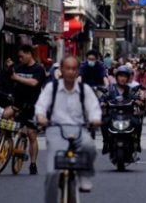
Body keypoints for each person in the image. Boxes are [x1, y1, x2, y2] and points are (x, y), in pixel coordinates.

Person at [35, 56, 102, 200]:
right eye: (68, 68)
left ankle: (85, 175)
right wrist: (41, 117)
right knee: (52, 173)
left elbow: (94, 108)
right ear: (61, 70)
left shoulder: (85, 90)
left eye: (74, 69)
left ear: (78, 71)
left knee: (90, 147)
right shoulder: (51, 88)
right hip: (56, 131)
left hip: (79, 130)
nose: (71, 72)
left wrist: (95, 119)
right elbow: (40, 106)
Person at [6, 44, 46, 175]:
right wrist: (9, 68)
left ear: (29, 54)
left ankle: (33, 163)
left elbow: (34, 83)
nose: (20, 58)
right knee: (4, 116)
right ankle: (5, 142)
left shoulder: (38, 69)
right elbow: (8, 79)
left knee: (31, 134)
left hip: (32, 106)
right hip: (17, 103)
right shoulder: (18, 67)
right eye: (19, 57)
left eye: (22, 56)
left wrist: (17, 78)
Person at [101, 65, 144, 153]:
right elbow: (103, 98)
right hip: (113, 114)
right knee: (104, 122)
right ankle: (105, 143)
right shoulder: (110, 89)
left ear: (128, 78)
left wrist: (139, 102)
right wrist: (102, 103)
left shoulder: (131, 90)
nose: (123, 78)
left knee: (137, 123)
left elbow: (137, 99)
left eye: (125, 76)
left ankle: (137, 143)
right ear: (117, 77)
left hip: (128, 115)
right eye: (121, 76)